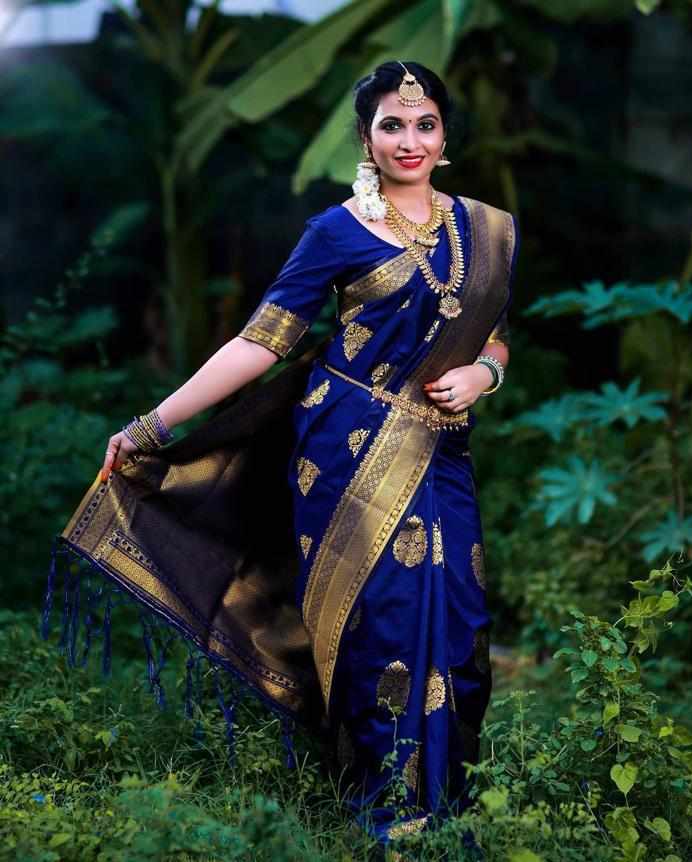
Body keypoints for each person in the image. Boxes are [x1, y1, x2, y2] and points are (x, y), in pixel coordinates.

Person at [42, 60, 519, 857]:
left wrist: (483, 375)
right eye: (391, 125)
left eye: (424, 124)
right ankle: (388, 815)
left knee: (461, 626)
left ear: (444, 136)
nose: (409, 140)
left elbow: (495, 337)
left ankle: (449, 804)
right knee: (382, 624)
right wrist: (152, 425)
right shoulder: (335, 231)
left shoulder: (488, 230)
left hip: (440, 451)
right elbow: (258, 343)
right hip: (348, 453)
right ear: (365, 138)